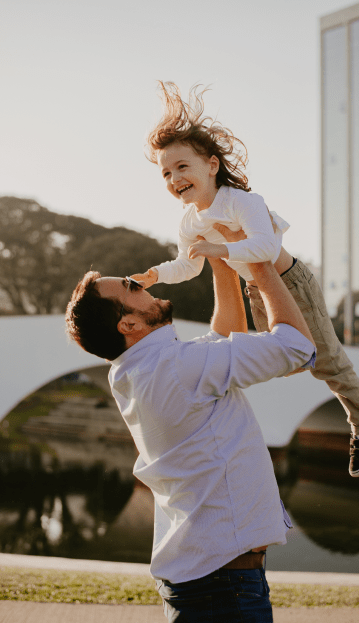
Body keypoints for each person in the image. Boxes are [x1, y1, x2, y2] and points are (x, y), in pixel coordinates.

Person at [132, 81, 359, 478]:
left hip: (289, 281)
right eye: (166, 173)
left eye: (183, 167)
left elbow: (265, 248)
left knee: (329, 359)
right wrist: (156, 275)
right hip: (257, 290)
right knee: (287, 360)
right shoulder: (189, 222)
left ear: (211, 166)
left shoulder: (241, 202)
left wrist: (222, 250)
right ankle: (351, 406)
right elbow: (189, 264)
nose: (174, 178)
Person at [65, 249, 316, 623]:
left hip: (209, 580)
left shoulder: (136, 370)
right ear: (128, 324)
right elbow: (297, 347)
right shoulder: (175, 367)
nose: (141, 282)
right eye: (131, 286)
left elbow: (225, 336)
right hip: (223, 587)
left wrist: (220, 260)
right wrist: (260, 259)